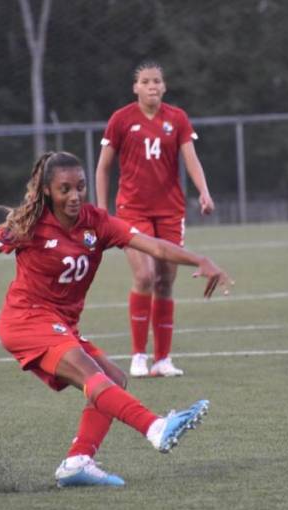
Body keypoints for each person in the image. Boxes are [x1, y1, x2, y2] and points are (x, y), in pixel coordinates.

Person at [0, 151, 231, 488]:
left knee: (113, 378)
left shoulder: (97, 222)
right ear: (47, 191)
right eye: (65, 189)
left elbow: (154, 247)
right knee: (92, 375)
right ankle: (156, 428)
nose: (74, 196)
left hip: (60, 325)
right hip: (26, 321)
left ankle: (77, 461)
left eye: (80, 187)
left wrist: (199, 259)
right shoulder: (28, 225)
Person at [96, 60, 215, 379]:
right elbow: (103, 168)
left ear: (164, 86)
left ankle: (162, 360)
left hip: (170, 211)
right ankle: (138, 356)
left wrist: (204, 192)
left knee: (165, 282)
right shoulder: (121, 119)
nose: (151, 86)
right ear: (135, 87)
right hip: (132, 211)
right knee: (145, 277)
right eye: (145, 81)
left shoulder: (176, 118)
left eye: (157, 81)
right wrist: (101, 212)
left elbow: (191, 159)